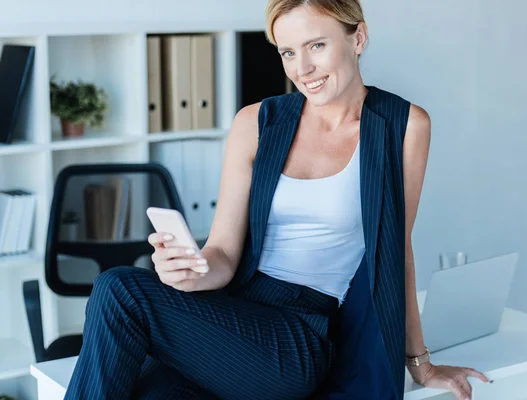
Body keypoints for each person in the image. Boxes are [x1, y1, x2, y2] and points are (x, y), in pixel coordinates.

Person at [64, 0, 490, 399]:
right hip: (232, 316)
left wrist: (420, 363)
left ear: (357, 38)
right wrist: (190, 273)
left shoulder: (403, 126)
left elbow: (396, 252)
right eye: (287, 52)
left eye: (316, 46)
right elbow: (223, 253)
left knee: (119, 287)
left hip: (298, 338)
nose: (302, 69)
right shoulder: (256, 122)